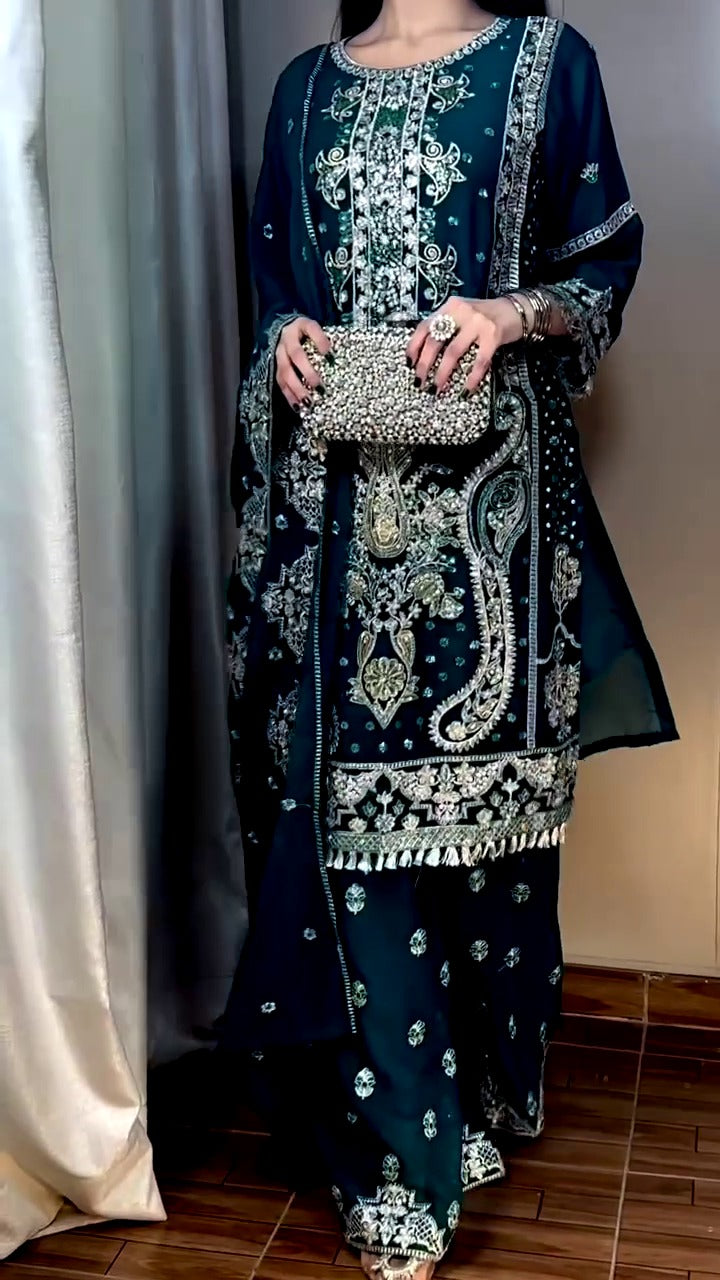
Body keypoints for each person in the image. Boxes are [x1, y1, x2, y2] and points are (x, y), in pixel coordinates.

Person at [221, 2, 677, 1277]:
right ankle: (401, 1167)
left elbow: (603, 260)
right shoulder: (306, 89)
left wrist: (508, 316)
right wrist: (285, 340)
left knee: (485, 843)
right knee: (352, 830)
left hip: (493, 524)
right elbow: (276, 281)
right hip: (336, 523)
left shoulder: (550, 63)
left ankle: (472, 1096)